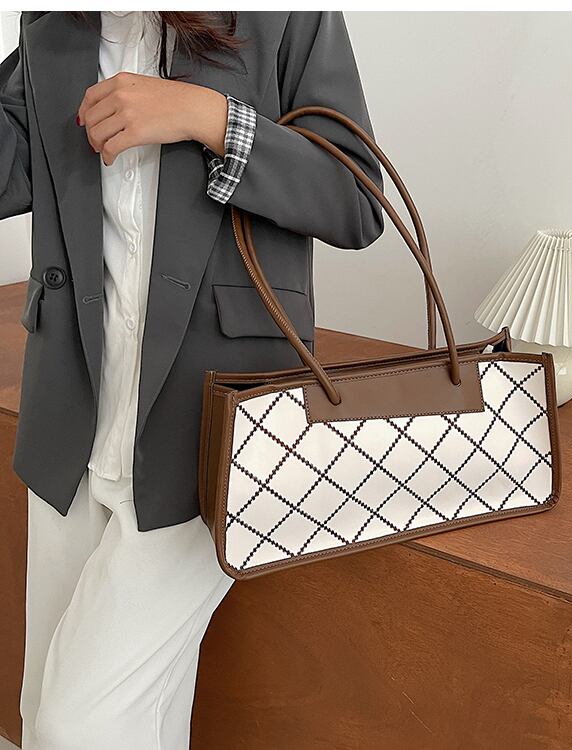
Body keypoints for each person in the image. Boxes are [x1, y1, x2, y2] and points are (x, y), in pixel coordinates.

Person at [0, 11, 383, 749]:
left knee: (76, 727)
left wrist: (210, 119)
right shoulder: (55, 25)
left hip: (209, 436)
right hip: (70, 425)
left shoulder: (286, 18)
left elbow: (356, 198)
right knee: (57, 707)